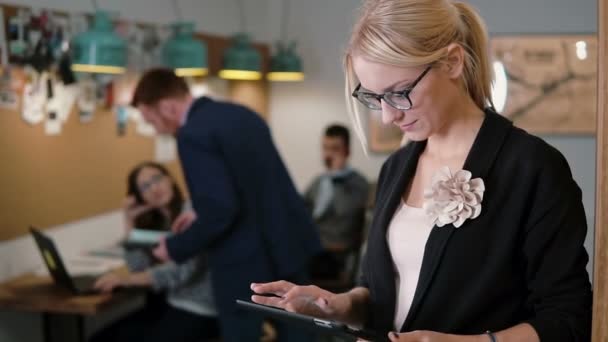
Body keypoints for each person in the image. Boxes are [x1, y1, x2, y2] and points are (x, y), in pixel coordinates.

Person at [251, 1, 592, 341]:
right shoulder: (396, 168)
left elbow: (568, 319)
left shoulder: (532, 167)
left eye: (399, 93)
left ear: (453, 61)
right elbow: (382, 292)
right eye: (372, 97)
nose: (388, 116)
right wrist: (338, 305)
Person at [130, 69, 322, 342]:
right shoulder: (240, 114)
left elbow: (221, 210)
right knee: (299, 335)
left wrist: (173, 247)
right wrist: (199, 210)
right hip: (286, 245)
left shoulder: (192, 135)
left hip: (243, 262)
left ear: (167, 107)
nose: (157, 130)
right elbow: (250, 183)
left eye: (152, 122)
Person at [90, 161, 220, 342]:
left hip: (199, 309)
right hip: (171, 304)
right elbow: (137, 267)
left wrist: (125, 280)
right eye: (145, 187)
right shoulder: (156, 223)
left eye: (156, 179)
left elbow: (180, 271)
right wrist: (129, 221)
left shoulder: (191, 212)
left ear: (170, 179)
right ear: (139, 197)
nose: (154, 188)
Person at [304, 124, 369, 279]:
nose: (328, 154)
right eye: (325, 148)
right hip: (313, 248)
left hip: (338, 254)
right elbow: (300, 213)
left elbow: (345, 212)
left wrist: (337, 178)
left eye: (335, 149)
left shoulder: (358, 184)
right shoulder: (318, 182)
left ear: (347, 152)